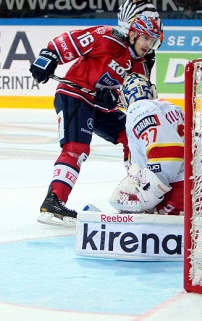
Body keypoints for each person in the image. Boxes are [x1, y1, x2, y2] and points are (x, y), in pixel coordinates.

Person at [29, 15, 162, 227]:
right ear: (134, 34)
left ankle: (138, 191)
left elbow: (133, 98)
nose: (149, 44)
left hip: (101, 107)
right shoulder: (109, 37)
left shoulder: (142, 64)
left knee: (133, 136)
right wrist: (48, 58)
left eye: (153, 40)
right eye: (146, 38)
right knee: (76, 148)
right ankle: (53, 202)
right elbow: (66, 42)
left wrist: (114, 97)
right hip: (75, 95)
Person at [109, 73, 185, 216]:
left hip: (179, 190)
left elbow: (168, 154)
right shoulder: (171, 107)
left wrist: (148, 194)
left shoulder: (139, 109)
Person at [117, 0, 164, 74]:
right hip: (123, 54)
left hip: (141, 57)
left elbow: (157, 40)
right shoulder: (124, 6)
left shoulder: (150, 11)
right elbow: (121, 32)